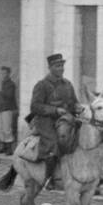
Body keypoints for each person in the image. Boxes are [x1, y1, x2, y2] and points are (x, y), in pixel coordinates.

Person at [29, 53, 79, 190]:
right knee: (53, 142)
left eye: (62, 65)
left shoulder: (68, 84)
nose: (61, 68)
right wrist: (55, 110)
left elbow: (74, 103)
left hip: (65, 119)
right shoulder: (42, 85)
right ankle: (48, 178)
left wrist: (78, 108)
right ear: (50, 67)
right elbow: (35, 106)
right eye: (57, 66)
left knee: (83, 137)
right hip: (46, 120)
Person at [0, 66, 18, 157]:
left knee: (7, 128)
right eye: (2, 73)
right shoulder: (1, 83)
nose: (3, 75)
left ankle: (9, 148)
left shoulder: (11, 84)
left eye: (5, 73)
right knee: (0, 128)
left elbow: (9, 96)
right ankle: (3, 146)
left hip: (8, 108)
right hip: (0, 108)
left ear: (9, 74)